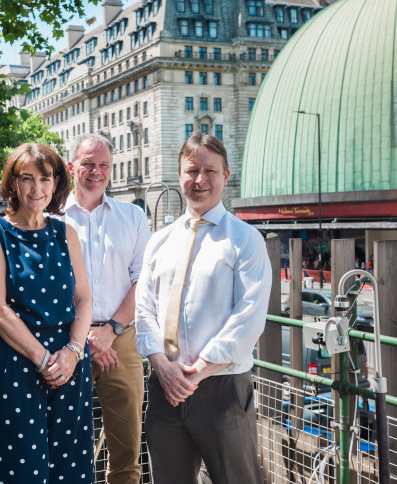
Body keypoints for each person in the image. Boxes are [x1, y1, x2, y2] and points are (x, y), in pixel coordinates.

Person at [135, 132, 272, 484]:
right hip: (164, 386)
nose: (200, 180)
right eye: (191, 170)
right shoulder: (159, 241)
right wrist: (162, 367)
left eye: (209, 171)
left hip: (222, 389)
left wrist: (197, 372)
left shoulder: (245, 240)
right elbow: (144, 310)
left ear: (225, 176)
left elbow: (249, 317)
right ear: (179, 175)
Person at [0, 143, 94, 483]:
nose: (37, 188)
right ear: (13, 183)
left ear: (56, 183)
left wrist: (72, 352)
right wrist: (43, 359)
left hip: (69, 362)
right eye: (27, 178)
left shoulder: (65, 231)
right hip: (15, 362)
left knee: (70, 463)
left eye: (45, 178)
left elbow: (84, 299)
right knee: (20, 466)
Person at [62, 134, 150, 484]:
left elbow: (143, 280)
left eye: (103, 165)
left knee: (126, 447)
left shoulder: (132, 216)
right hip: (66, 340)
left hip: (121, 339)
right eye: (87, 163)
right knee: (66, 441)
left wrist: (110, 331)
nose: (95, 171)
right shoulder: (52, 216)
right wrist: (83, 338)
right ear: (72, 167)